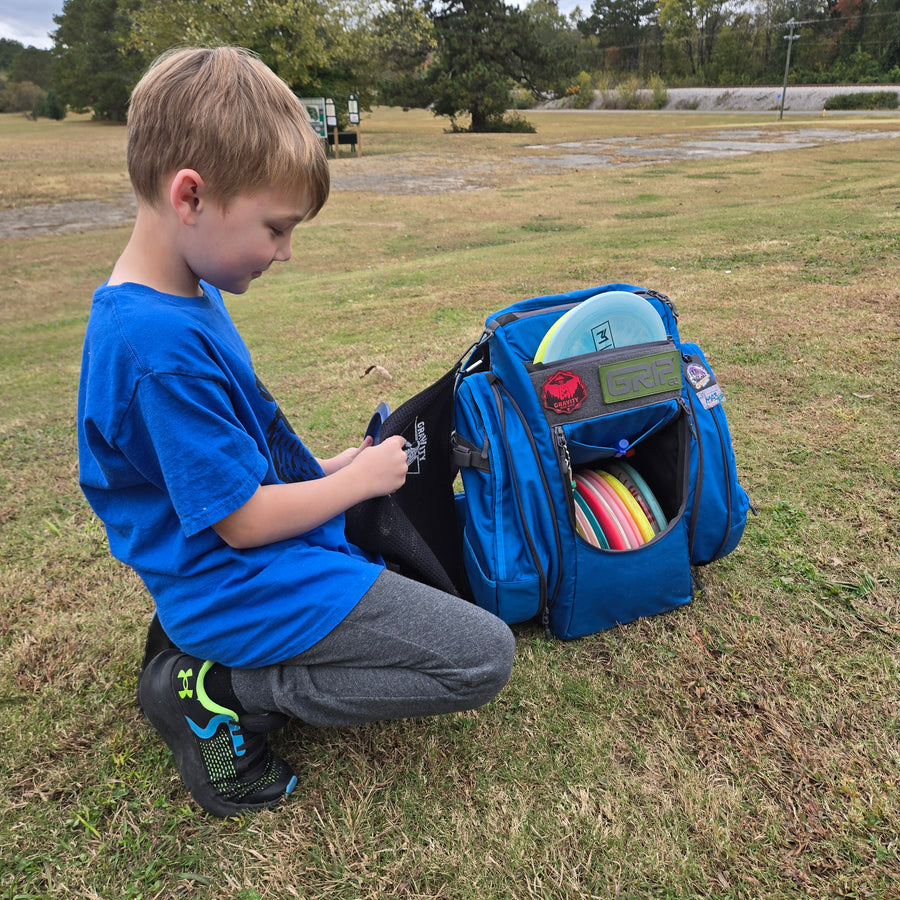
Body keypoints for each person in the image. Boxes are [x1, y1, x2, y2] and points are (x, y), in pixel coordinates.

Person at [77, 46, 516, 818]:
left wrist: (324, 468)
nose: (285, 252)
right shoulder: (155, 350)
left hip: (253, 568)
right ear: (191, 196)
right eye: (276, 229)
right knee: (482, 659)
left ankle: (204, 646)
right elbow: (243, 522)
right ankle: (218, 687)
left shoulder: (184, 297)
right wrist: (357, 483)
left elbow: (237, 446)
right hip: (239, 584)